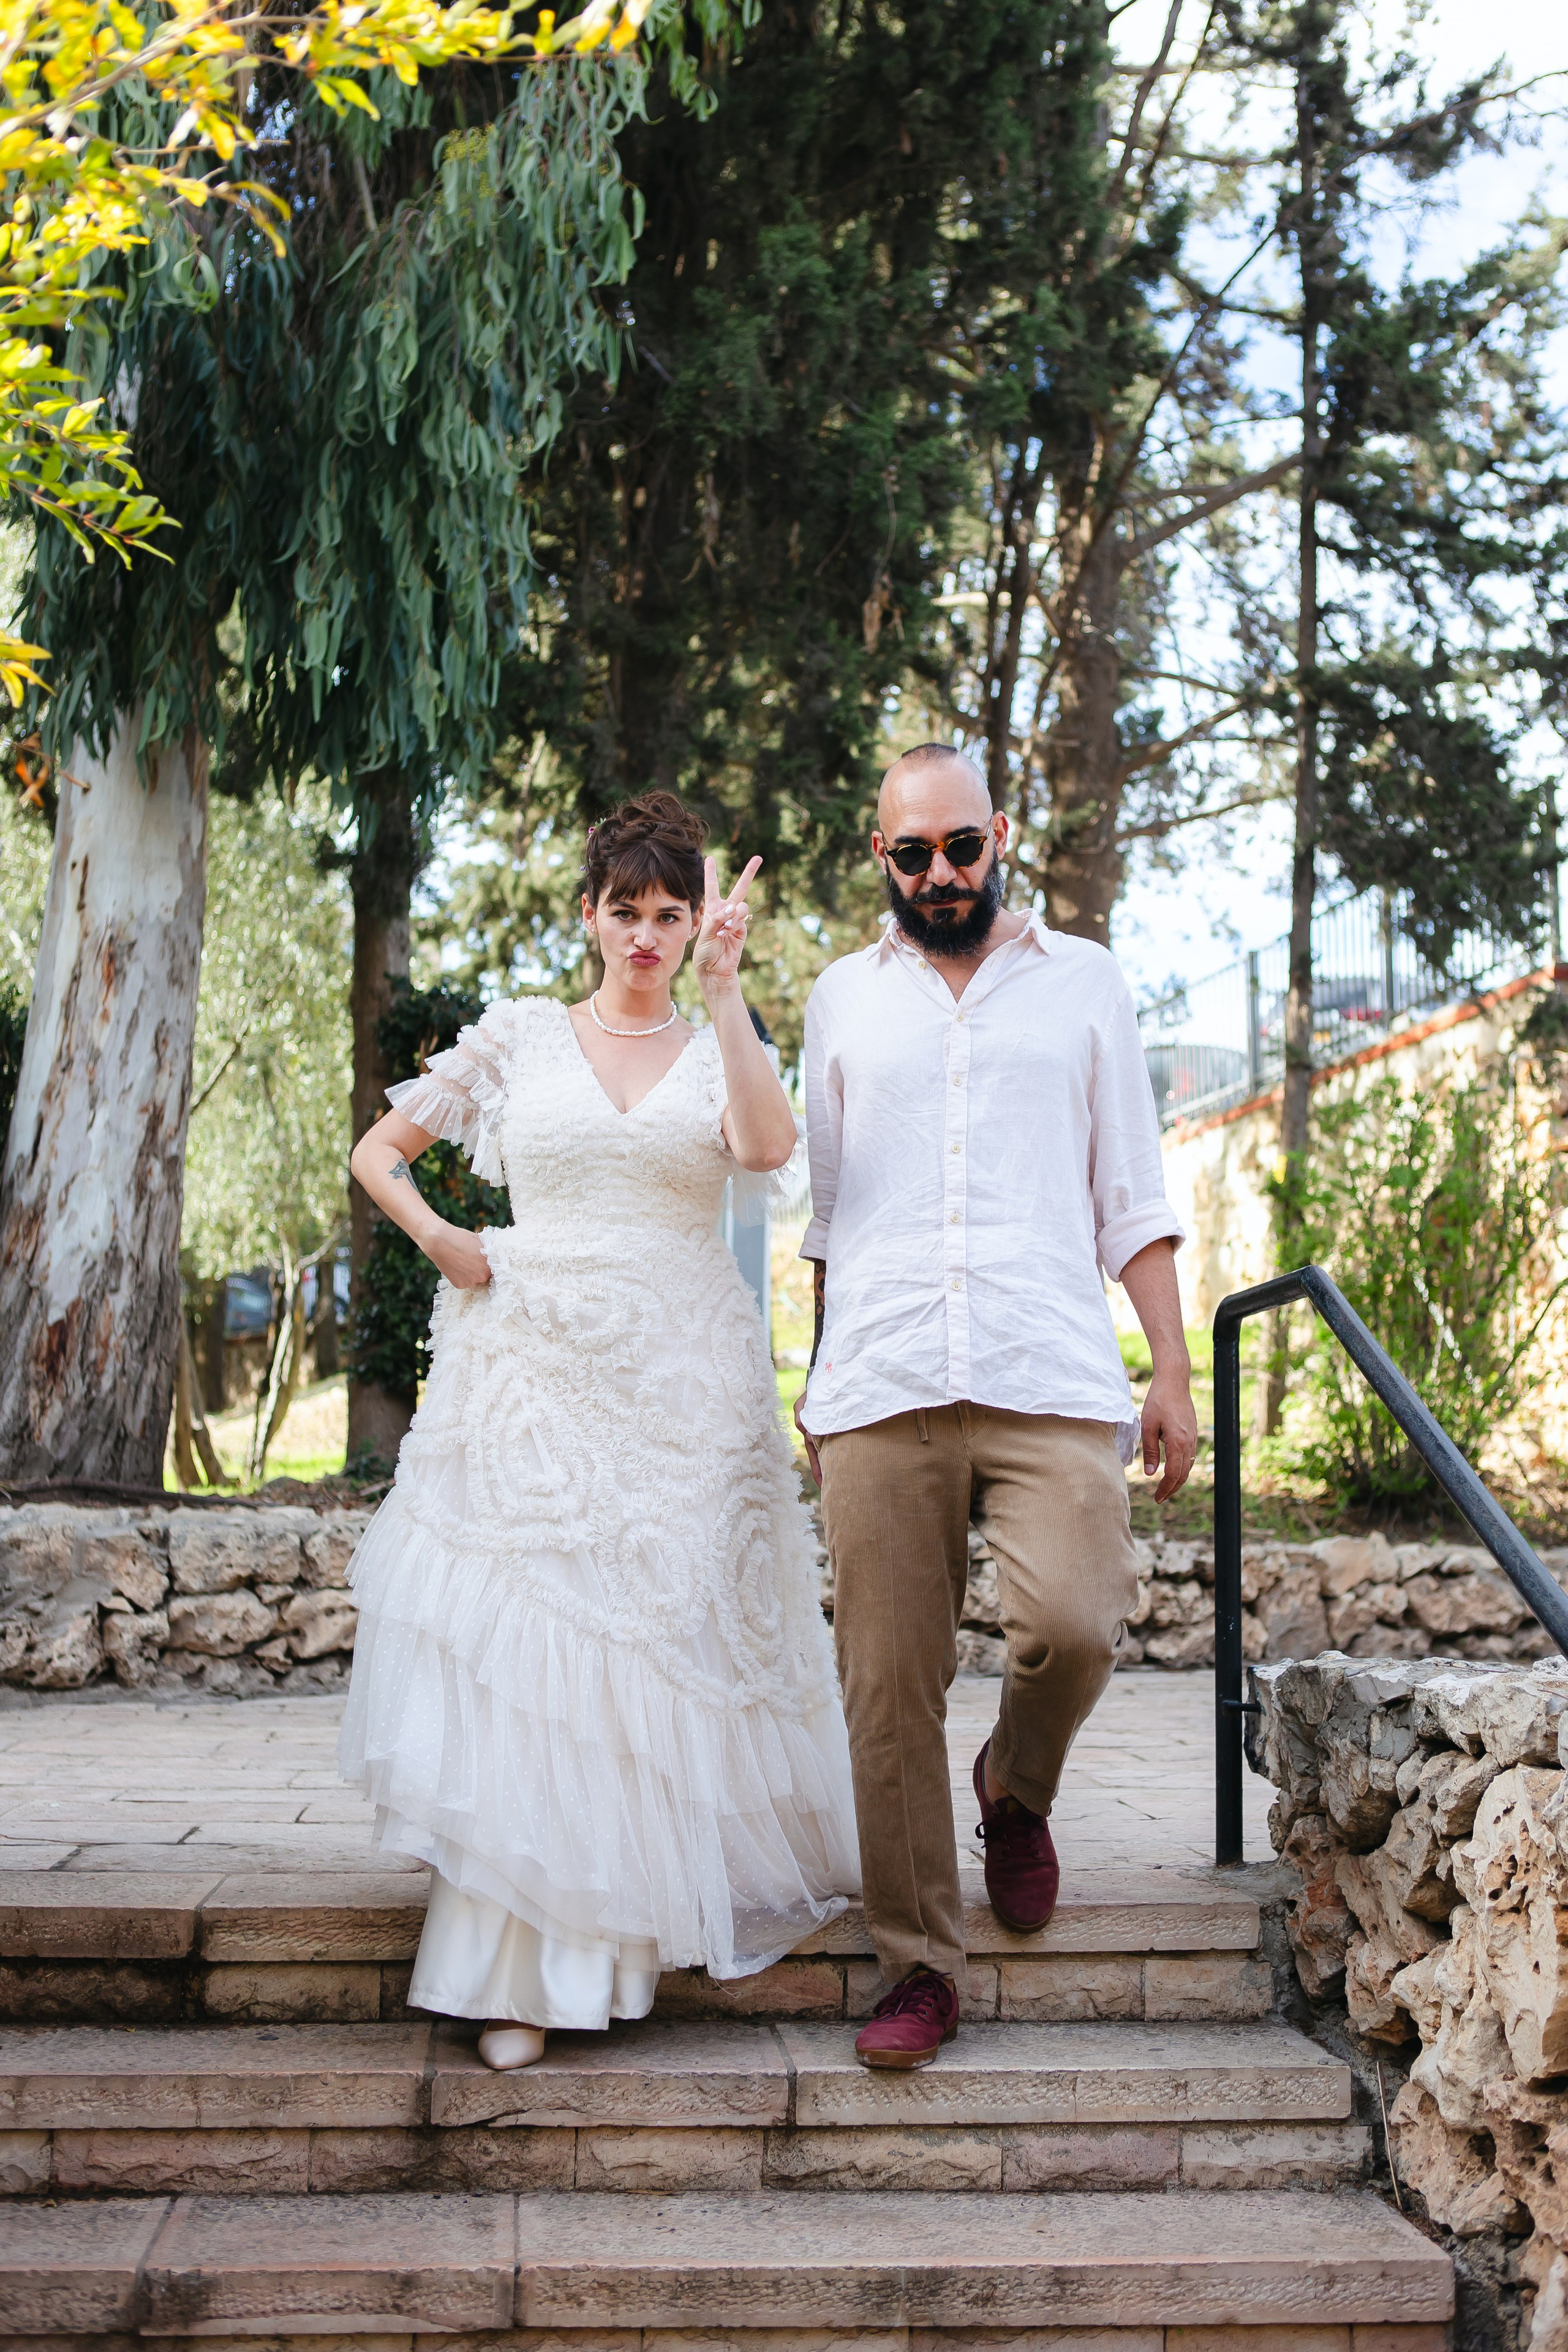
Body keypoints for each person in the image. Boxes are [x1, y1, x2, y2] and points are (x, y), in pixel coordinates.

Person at [339, 791, 859, 2071]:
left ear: (694, 925)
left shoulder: (714, 1033)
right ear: (588, 914)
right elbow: (377, 1154)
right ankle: (515, 1975)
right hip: (529, 1365)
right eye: (623, 911)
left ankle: (608, 1955)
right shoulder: (519, 1036)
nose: (644, 934)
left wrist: (729, 994)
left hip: (682, 1376)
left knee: (643, 1660)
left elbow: (765, 1147)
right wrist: (448, 1244)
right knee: (529, 1664)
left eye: (668, 916)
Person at [795, 744, 1196, 2072]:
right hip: (882, 1378)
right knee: (883, 1689)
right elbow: (825, 1214)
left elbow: (1129, 1195)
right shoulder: (841, 997)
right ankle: (917, 1966)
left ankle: (1012, 1791)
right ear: (881, 861)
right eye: (911, 856)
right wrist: (818, 1374)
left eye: (959, 848)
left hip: (1047, 1371)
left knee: (1075, 1623)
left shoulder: (1083, 984)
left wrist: (1171, 1370)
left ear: (998, 835)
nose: (939, 876)